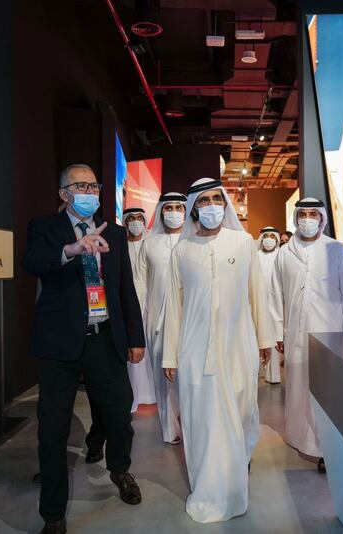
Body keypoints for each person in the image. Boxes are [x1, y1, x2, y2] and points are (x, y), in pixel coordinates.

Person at [24, 164, 145, 534]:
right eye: (81, 185)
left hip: (104, 337)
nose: (90, 192)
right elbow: (32, 263)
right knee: (53, 429)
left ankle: (120, 469)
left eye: (95, 186)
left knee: (119, 414)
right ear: (64, 193)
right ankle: (53, 514)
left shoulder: (117, 235)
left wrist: (135, 337)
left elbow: (126, 288)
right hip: (59, 344)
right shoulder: (44, 228)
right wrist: (72, 249)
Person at [162, 177, 276, 523]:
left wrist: (264, 340)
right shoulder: (180, 251)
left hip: (237, 346)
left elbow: (258, 293)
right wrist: (170, 355)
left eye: (217, 198)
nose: (211, 205)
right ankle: (209, 490)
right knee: (201, 420)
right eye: (205, 200)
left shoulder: (243, 243)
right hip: (195, 350)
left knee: (240, 415)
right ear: (195, 207)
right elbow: (174, 308)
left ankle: (234, 481)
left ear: (224, 203)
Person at [270, 197, 343, 474]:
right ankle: (299, 437)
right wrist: (277, 330)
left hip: (329, 336)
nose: (307, 219)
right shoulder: (285, 252)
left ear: (322, 218)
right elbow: (275, 294)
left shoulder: (336, 251)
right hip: (294, 335)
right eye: (303, 214)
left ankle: (324, 448)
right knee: (297, 388)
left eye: (313, 214)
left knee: (325, 394)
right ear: (296, 218)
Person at [133, 192, 187, 445]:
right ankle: (169, 429)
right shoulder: (149, 244)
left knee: (189, 377)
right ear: (161, 211)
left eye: (179, 206)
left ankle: (190, 427)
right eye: (169, 207)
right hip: (157, 322)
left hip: (189, 321)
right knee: (163, 379)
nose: (174, 212)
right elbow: (140, 286)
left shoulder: (195, 240)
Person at [122, 207, 157, 412]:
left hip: (150, 303)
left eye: (139, 218)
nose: (135, 222)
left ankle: (153, 393)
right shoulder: (121, 245)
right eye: (131, 219)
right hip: (130, 305)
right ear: (125, 222)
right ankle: (136, 394)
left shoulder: (151, 244)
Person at [256, 227, 282, 384]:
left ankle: (274, 376)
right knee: (258, 337)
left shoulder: (281, 255)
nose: (269, 239)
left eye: (273, 236)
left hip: (276, 302)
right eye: (266, 236)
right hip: (258, 302)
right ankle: (258, 373)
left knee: (273, 338)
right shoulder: (256, 256)